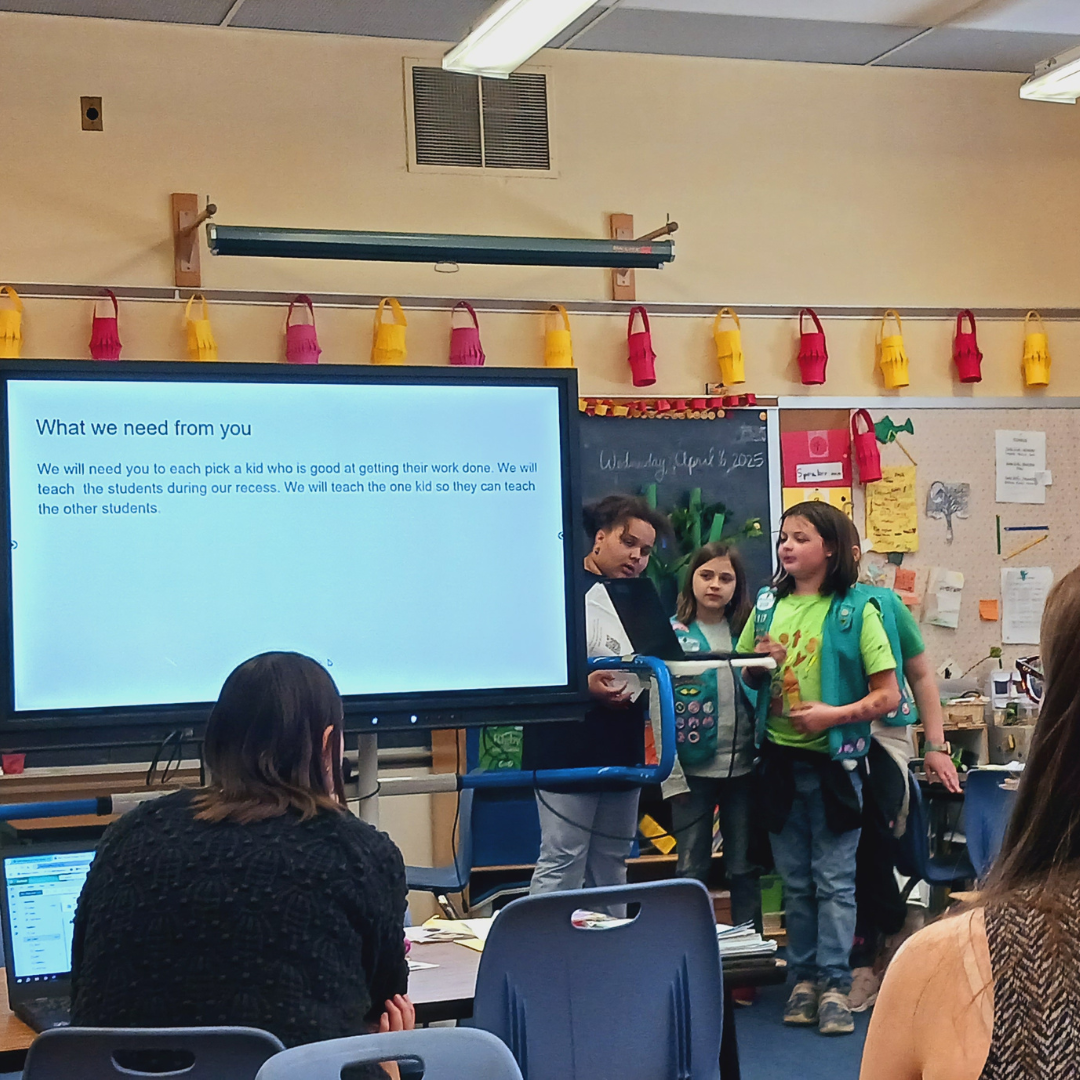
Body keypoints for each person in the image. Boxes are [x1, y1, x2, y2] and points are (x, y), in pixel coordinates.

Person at [71, 652, 413, 1078]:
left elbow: (83, 987)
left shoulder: (128, 833)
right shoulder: (360, 852)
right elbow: (384, 1010)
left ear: (216, 742)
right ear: (329, 745)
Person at [859, 566, 1080, 1080]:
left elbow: (911, 685)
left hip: (867, 764)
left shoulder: (876, 611)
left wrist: (935, 746)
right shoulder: (784, 611)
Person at [735, 501, 900, 1036]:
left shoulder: (855, 610)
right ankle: (802, 979)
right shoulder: (766, 606)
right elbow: (744, 675)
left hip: (836, 768)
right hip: (779, 764)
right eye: (784, 537)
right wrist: (760, 670)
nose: (786, 546)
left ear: (829, 547)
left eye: (800, 537)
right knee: (796, 883)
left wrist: (834, 715)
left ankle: (834, 982)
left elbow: (888, 695)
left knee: (834, 881)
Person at [523, 494, 672, 895]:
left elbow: (658, 659)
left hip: (620, 748)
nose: (637, 557)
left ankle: (609, 953)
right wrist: (582, 686)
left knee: (613, 861)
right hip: (564, 749)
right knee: (563, 858)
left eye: (644, 551)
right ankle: (546, 956)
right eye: (628, 543)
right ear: (600, 538)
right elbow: (530, 664)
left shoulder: (641, 596)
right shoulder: (558, 588)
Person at [844, 523, 962, 1012]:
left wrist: (935, 745)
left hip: (882, 739)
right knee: (834, 857)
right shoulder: (790, 603)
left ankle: (876, 949)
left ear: (846, 553)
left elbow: (920, 674)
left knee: (874, 842)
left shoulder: (884, 603)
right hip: (819, 745)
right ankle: (855, 952)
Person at [667, 542, 761, 931]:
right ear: (691, 580)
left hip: (743, 769)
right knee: (690, 866)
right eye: (706, 575)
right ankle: (688, 950)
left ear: (737, 587)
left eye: (726, 578)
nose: (714, 586)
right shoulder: (672, 634)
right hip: (691, 770)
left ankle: (749, 953)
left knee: (744, 866)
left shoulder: (749, 632)